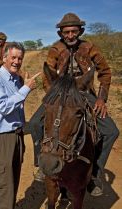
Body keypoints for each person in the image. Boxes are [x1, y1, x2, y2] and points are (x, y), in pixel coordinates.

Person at [30, 12, 119, 197]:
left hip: (84, 93)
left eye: (74, 31)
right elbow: (48, 75)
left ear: (80, 31)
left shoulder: (90, 47)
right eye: (66, 32)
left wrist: (102, 98)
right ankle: (41, 165)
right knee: (34, 124)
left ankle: (95, 172)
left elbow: (105, 72)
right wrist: (54, 94)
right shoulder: (55, 49)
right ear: (60, 33)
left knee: (111, 131)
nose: (70, 35)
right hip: (60, 93)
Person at [0, 42, 41, 209]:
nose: (17, 61)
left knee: (13, 180)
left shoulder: (16, 79)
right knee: (3, 186)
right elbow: (4, 107)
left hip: (17, 136)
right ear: (4, 58)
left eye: (20, 58)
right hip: (1, 139)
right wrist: (25, 90)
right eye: (13, 57)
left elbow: (17, 106)